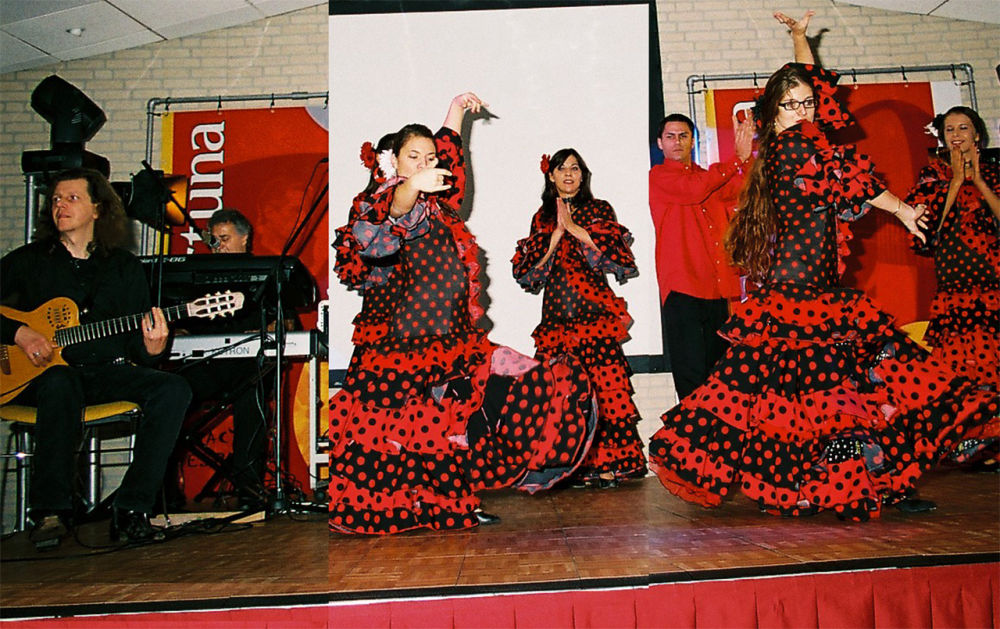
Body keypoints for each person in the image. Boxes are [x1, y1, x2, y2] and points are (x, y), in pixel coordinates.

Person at [647, 10, 1000, 522]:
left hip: (816, 288)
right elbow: (848, 179)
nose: (802, 110)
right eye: (790, 105)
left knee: (828, 399)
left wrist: (799, 40)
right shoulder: (791, 148)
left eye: (806, 103)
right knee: (825, 398)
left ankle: (839, 486)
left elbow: (814, 95)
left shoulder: (802, 136)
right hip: (799, 294)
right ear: (775, 110)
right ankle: (843, 489)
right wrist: (902, 209)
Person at [329, 93, 595, 534]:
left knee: (446, 423)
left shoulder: (440, 205)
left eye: (429, 157)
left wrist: (455, 112)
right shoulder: (382, 199)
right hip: (400, 344)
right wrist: (411, 185)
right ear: (392, 161)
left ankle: (444, 506)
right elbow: (387, 224)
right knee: (394, 429)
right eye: (413, 157)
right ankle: (386, 510)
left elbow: (450, 154)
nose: (426, 163)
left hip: (448, 337)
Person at [0, 167, 190, 547]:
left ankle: (132, 508)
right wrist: (19, 333)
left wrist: (152, 348)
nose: (60, 206)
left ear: (99, 209)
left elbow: (137, 346)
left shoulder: (122, 267)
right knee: (60, 381)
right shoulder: (28, 261)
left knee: (173, 390)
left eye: (72, 198)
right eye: (55, 199)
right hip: (36, 379)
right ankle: (51, 512)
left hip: (102, 374)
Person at [512, 149, 645, 488]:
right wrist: (556, 235)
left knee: (604, 389)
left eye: (575, 168)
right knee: (561, 393)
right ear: (551, 176)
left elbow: (616, 256)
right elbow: (529, 272)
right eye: (561, 168)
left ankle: (611, 463)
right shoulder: (541, 217)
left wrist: (573, 227)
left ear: (583, 176)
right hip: (557, 317)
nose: (568, 174)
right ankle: (571, 466)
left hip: (593, 314)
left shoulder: (599, 209)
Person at [649, 112, 754, 399]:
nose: (677, 142)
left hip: (716, 289)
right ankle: (690, 443)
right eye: (670, 136)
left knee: (720, 377)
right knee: (692, 378)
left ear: (692, 141)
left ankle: (718, 442)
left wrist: (755, 151)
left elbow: (741, 191)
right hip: (683, 289)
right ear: (660, 143)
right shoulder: (659, 176)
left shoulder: (706, 177)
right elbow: (693, 191)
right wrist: (736, 160)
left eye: (683, 136)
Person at [172, 208, 270, 509]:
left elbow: (287, 322)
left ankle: (249, 485)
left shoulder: (264, 274)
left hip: (246, 365)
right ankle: (163, 491)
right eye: (213, 241)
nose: (219, 247)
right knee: (169, 394)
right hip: (206, 364)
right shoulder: (198, 277)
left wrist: (270, 326)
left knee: (254, 391)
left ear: (245, 238)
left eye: (225, 239)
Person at [904, 107, 999, 392]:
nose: (956, 136)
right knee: (961, 376)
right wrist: (956, 181)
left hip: (994, 285)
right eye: (949, 130)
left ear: (977, 135)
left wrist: (978, 180)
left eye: (963, 128)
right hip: (954, 289)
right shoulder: (932, 177)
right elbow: (928, 234)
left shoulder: (995, 173)